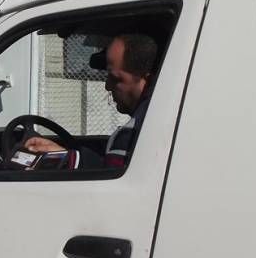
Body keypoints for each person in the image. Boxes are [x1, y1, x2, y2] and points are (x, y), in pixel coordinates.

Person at [26, 33, 158, 168]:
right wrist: (63, 153)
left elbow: (109, 181)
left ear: (147, 79)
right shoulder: (151, 119)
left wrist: (67, 159)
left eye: (115, 78)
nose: (107, 86)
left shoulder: (131, 135)